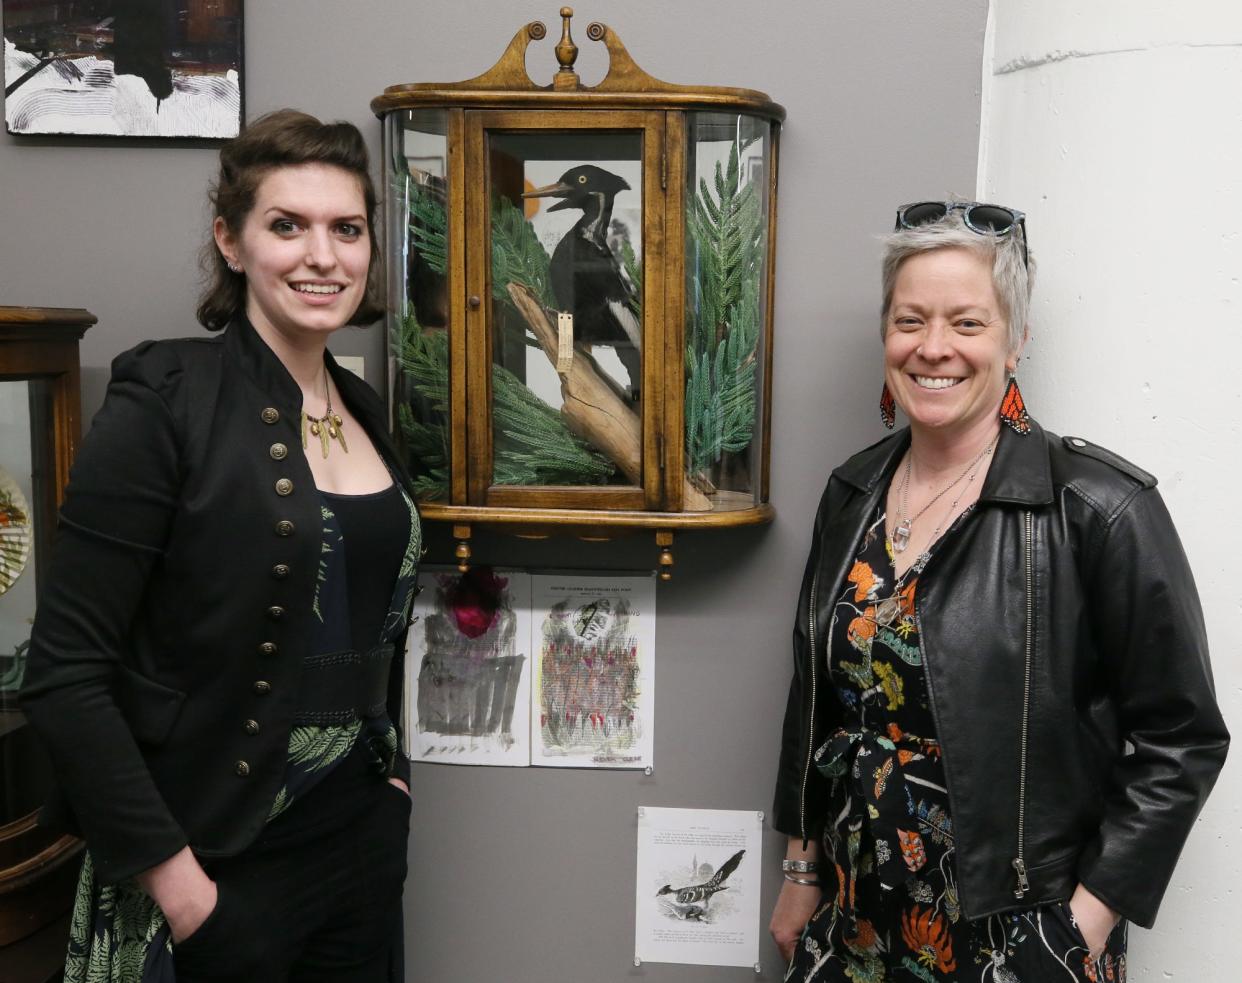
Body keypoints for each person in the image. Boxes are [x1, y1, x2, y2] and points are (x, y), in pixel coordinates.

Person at [769, 201, 1228, 982]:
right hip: (856, 921)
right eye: (910, 319)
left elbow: (1181, 739)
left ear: (1016, 340)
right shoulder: (851, 493)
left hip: (1017, 936)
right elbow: (816, 698)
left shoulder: (1098, 509)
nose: (934, 347)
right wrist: (801, 867)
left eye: (968, 323)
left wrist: (1081, 922)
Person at [20, 110, 420, 982]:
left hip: (358, 844)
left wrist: (395, 793)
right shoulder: (165, 400)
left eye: (346, 229)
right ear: (230, 242)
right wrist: (186, 893)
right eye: (288, 225)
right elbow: (62, 672)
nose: (323, 256)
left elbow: (379, 629)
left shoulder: (367, 412)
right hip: (216, 864)